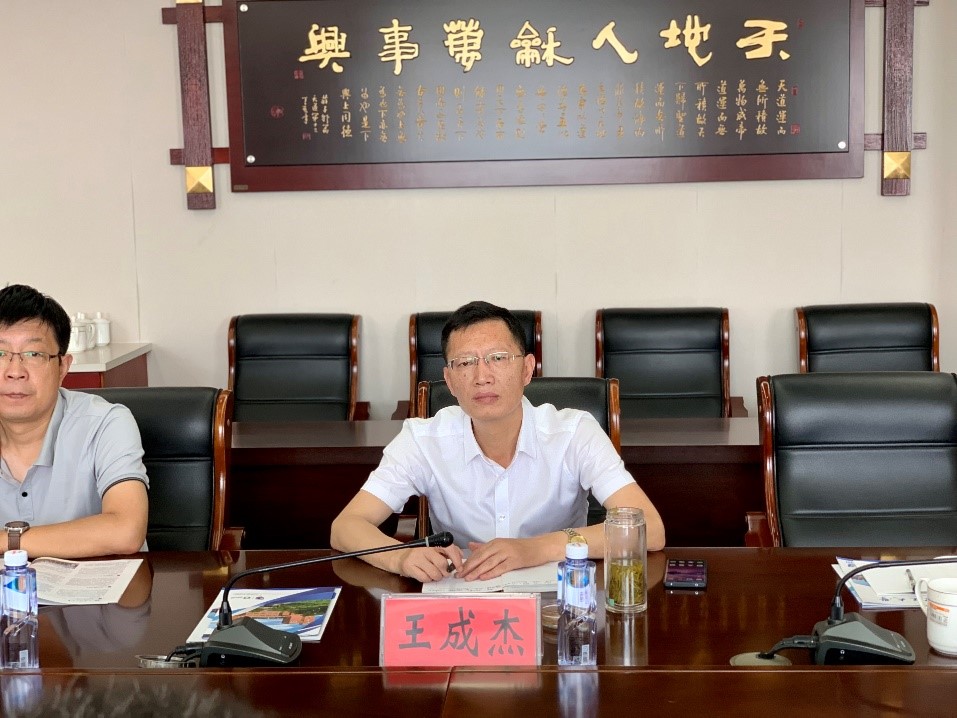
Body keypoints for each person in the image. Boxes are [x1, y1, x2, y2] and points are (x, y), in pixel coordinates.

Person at [331, 301, 665, 583]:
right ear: (449, 380)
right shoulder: (423, 439)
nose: (482, 377)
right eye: (466, 363)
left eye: (499, 358)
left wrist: (534, 549)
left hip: (557, 605)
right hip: (463, 600)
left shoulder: (574, 432)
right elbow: (346, 526)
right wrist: (401, 557)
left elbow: (649, 528)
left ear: (527, 369)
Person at [0, 284, 148, 557]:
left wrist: (6, 541)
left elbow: (126, 530)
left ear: (63, 367)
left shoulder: (105, 424)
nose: (14, 371)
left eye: (33, 354)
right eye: (0, 354)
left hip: (104, 585)